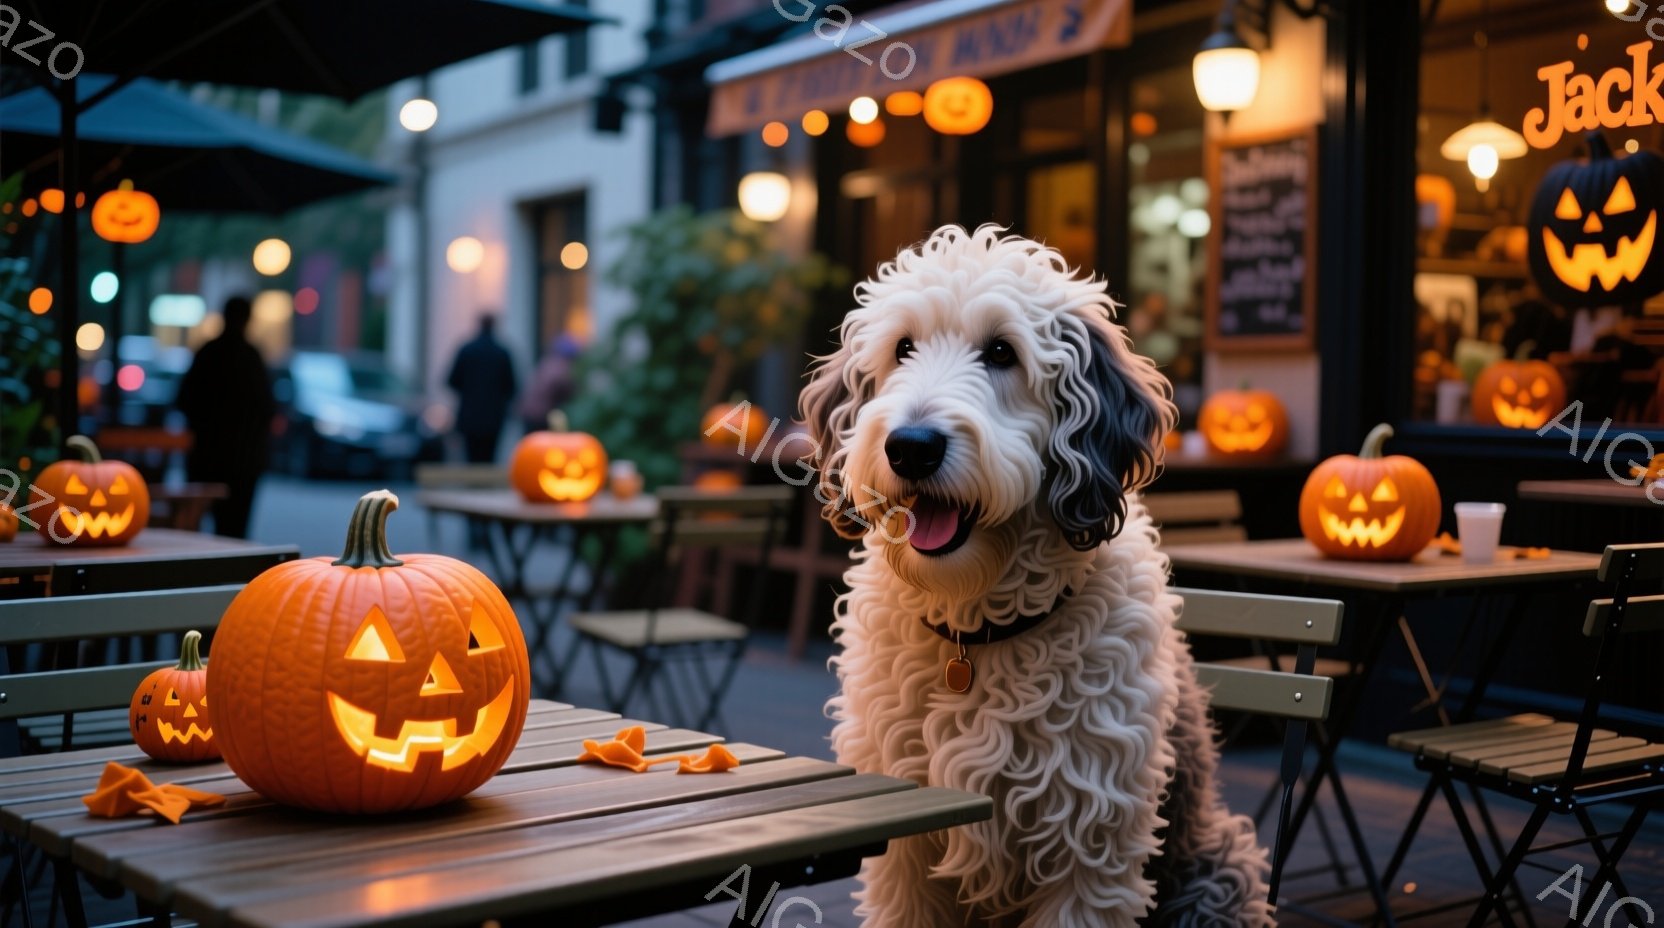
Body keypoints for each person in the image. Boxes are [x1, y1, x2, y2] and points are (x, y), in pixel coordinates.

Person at [175, 295, 275, 539]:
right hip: (244, 461)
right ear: (248, 319)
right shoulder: (251, 357)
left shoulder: (208, 353)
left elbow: (183, 400)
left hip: (206, 457)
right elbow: (266, 407)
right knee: (236, 530)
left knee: (195, 530)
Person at [446, 313, 517, 463]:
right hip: (494, 415)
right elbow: (512, 386)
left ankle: (472, 485)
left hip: (469, 414)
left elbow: (451, 381)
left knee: (471, 457)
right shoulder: (502, 353)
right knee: (489, 457)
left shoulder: (467, 350)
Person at [517, 334, 581, 435]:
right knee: (541, 445)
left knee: (532, 443)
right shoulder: (562, 369)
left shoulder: (547, 363)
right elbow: (568, 392)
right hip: (541, 415)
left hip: (529, 412)